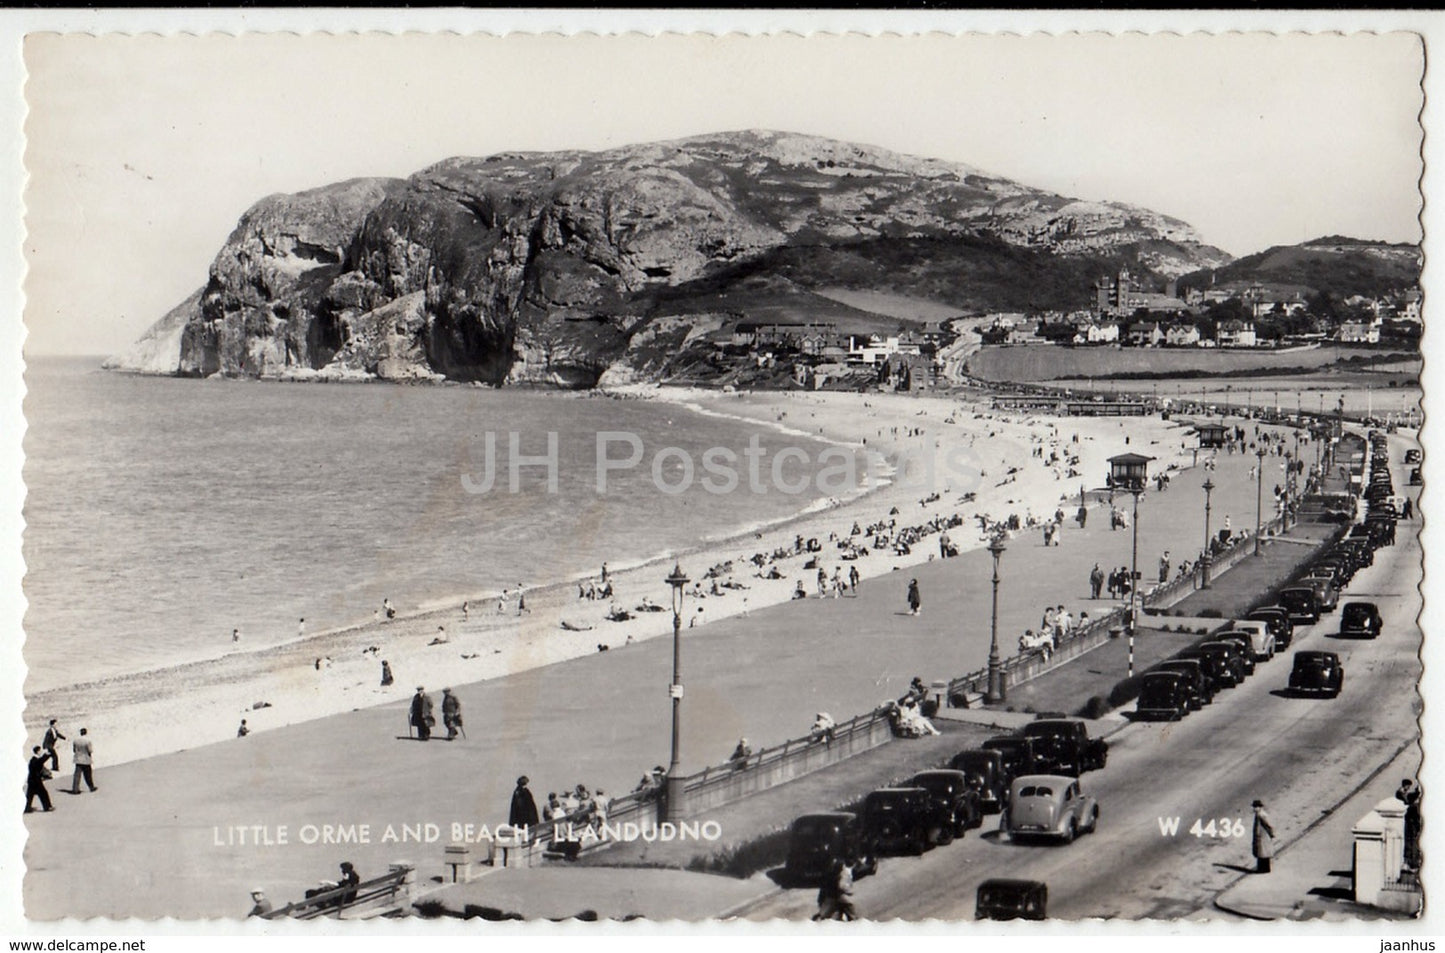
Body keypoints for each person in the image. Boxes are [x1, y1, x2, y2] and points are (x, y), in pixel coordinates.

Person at [1397, 778, 1423, 870]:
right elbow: (1407, 801)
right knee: (1411, 841)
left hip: (1412, 821)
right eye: (1408, 786)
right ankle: (1411, 862)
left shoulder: (1408, 794)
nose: (1408, 788)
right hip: (1410, 821)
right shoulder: (1401, 793)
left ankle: (1411, 862)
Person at [25, 745, 53, 813]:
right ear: (37, 752)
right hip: (36, 780)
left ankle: (26, 808)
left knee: (30, 795)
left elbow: (40, 762)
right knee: (43, 793)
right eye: (40, 751)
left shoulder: (33, 759)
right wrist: (46, 755)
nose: (41, 752)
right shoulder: (35, 760)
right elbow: (41, 761)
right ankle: (47, 807)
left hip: (32, 780)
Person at [69, 728, 96, 794]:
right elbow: (90, 750)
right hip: (86, 759)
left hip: (78, 759)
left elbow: (74, 750)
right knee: (88, 775)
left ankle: (75, 789)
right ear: (86, 732)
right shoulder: (88, 740)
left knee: (77, 775)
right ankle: (91, 787)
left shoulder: (76, 740)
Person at [1251, 799, 1275, 873]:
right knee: (1261, 853)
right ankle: (1263, 869)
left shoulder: (1261, 815)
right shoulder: (1259, 814)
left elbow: (1269, 825)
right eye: (1254, 807)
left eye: (1255, 807)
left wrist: (1272, 834)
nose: (1254, 809)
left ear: (1260, 807)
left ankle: (1263, 869)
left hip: (1263, 837)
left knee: (1263, 853)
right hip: (1261, 837)